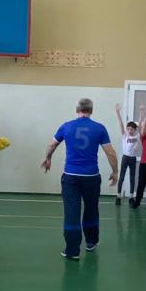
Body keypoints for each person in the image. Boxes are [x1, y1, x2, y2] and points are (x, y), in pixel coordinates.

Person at [41, 98, 118, 260]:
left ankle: (72, 250)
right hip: (92, 177)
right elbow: (110, 152)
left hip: (71, 177)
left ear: (77, 110)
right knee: (91, 209)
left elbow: (51, 145)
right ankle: (91, 242)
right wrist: (115, 171)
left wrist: (48, 158)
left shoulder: (66, 126)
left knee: (72, 212)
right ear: (91, 110)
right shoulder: (99, 128)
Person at [114, 103, 141, 206]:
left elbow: (140, 123)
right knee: (121, 177)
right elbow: (121, 124)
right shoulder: (125, 135)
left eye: (131, 129)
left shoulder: (137, 135)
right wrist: (117, 112)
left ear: (135, 129)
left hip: (133, 158)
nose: (130, 131)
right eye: (128, 129)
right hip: (125, 158)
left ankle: (131, 196)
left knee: (132, 178)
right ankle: (118, 196)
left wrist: (141, 112)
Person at [130, 107, 146, 209]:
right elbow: (142, 129)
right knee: (141, 184)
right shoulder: (143, 137)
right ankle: (137, 202)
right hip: (144, 164)